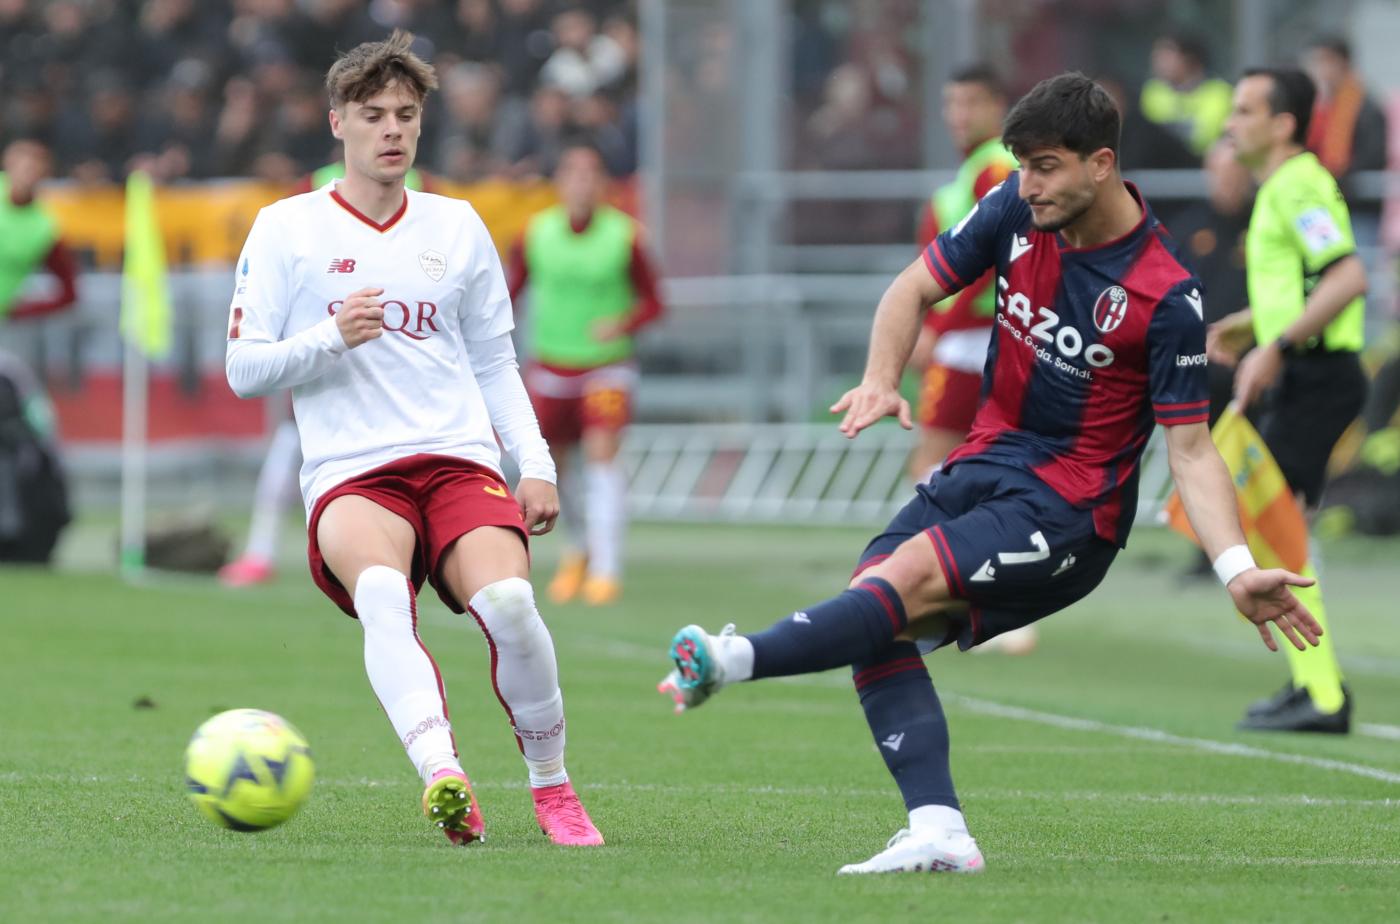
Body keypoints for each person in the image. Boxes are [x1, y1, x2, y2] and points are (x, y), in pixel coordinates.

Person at [658, 73, 1321, 876]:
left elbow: (1191, 449)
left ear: (1101, 163)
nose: (1027, 183)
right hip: (983, 462)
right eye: (1022, 164)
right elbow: (914, 287)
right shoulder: (1014, 207)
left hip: (1072, 510)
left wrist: (1236, 568)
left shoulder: (1164, 296)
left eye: (1045, 166)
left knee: (893, 585)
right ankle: (938, 829)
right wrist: (879, 378)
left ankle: (729, 661)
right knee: (876, 609)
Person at [223, 31, 602, 847]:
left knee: (509, 604)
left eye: (406, 114)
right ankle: (443, 774)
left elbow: (499, 361)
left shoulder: (458, 225)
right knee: (384, 600)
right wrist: (329, 336)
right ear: (337, 123)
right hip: (352, 474)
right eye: (374, 115)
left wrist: (533, 465)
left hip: (457, 458)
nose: (392, 129)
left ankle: (552, 785)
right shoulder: (286, 229)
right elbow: (243, 370)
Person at [1207, 67, 1368, 733]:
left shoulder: (1297, 182)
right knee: (1275, 527)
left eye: (1245, 110)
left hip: (1316, 375)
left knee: (1278, 529)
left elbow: (1349, 274)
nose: (1229, 123)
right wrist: (1256, 326)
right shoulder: (1281, 186)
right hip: (1307, 369)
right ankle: (1315, 685)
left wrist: (1275, 348)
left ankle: (1323, 693)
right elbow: (1308, 281)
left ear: (1283, 125)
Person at [220, 164, 431, 588]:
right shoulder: (313, 188)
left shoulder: (424, 191)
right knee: (288, 444)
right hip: (322, 351)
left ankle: (415, 552)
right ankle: (261, 551)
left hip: (396, 355)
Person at [508, 139, 663, 606]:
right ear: (558, 183)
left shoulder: (625, 236)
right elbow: (508, 293)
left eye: (590, 174)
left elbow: (655, 301)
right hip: (550, 368)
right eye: (572, 173)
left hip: (606, 368)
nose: (581, 184)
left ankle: (606, 567)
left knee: (602, 458)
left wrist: (624, 322)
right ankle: (577, 549)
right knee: (555, 469)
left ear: (603, 184)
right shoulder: (535, 234)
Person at [0, 140, 79, 326]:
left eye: (35, 170)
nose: (28, 176)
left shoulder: (44, 227)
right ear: (8, 164)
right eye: (24, 168)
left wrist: (21, 311)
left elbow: (69, 292)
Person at [1140, 31, 1233, 157]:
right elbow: (1146, 136)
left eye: (1167, 55)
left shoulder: (1219, 92)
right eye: (1157, 55)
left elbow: (1204, 139)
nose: (1158, 61)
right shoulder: (1153, 91)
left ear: (1189, 58)